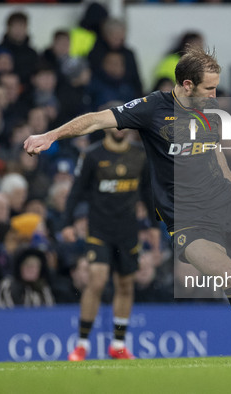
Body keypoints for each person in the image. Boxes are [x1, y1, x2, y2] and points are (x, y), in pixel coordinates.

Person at [24, 45, 231, 362]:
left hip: (229, 205)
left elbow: (214, 153)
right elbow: (95, 120)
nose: (215, 95)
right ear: (187, 85)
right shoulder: (151, 108)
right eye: (209, 88)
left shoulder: (210, 113)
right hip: (188, 220)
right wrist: (51, 135)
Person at [63, 126, 158, 361]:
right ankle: (82, 344)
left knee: (126, 285)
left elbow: (147, 191)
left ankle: (118, 344)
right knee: (97, 279)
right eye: (115, 124)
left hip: (128, 231)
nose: (119, 129)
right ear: (106, 127)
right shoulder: (93, 155)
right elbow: (76, 190)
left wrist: (154, 225)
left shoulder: (140, 155)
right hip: (99, 230)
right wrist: (66, 223)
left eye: (124, 124)